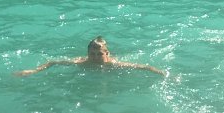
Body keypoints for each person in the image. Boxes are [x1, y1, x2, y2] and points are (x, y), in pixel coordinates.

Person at [13, 36, 166, 76]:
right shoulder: (82, 63)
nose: (95, 57)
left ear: (107, 54)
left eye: (99, 54)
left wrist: (162, 73)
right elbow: (53, 62)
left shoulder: (113, 64)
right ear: (87, 54)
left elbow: (144, 67)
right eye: (92, 54)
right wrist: (34, 71)